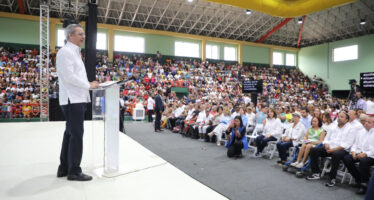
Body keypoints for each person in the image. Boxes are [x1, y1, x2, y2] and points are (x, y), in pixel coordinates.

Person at [56, 24, 99, 181]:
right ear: (70, 36)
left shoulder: (73, 52)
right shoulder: (66, 52)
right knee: (76, 135)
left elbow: (75, 76)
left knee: (70, 133)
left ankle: (64, 167)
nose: (83, 36)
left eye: (83, 34)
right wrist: (88, 85)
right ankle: (74, 170)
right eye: (80, 34)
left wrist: (89, 83)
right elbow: (69, 77)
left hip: (75, 98)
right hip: (72, 99)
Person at [306, 111, 355, 187]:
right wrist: (326, 144)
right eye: (338, 116)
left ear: (347, 120)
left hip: (342, 150)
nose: (339, 118)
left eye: (342, 117)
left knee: (336, 154)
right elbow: (326, 138)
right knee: (313, 150)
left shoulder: (350, 129)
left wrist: (333, 150)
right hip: (329, 147)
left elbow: (346, 145)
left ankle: (332, 178)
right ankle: (316, 173)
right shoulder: (333, 126)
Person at [343, 107, 374, 195]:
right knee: (347, 158)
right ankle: (359, 180)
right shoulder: (361, 132)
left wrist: (365, 154)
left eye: (368, 122)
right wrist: (353, 151)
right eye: (365, 122)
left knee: (364, 161)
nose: (365, 124)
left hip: (371, 156)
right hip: (360, 153)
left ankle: (365, 185)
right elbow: (355, 144)